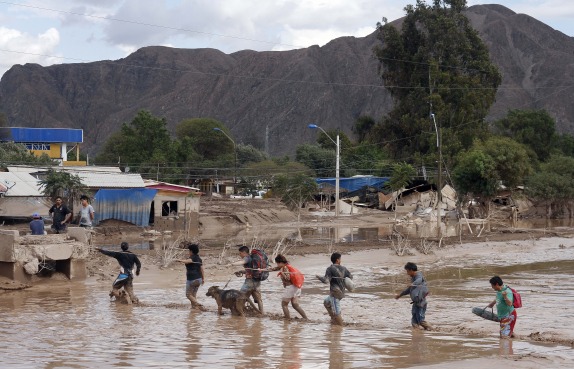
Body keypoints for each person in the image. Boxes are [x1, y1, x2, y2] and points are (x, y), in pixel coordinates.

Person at [317, 252, 352, 325]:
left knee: (336, 312)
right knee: (326, 303)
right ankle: (333, 319)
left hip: (335, 293)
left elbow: (326, 281)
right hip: (341, 292)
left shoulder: (330, 269)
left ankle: (340, 327)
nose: (340, 260)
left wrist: (319, 277)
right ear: (337, 260)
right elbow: (351, 277)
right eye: (340, 259)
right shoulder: (344, 268)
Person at [395, 262, 432, 330]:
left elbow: (419, 280)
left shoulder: (419, 276)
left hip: (421, 303)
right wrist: (400, 295)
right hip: (415, 303)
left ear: (411, 270)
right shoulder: (413, 279)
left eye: (408, 271)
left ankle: (432, 330)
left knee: (421, 321)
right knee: (414, 322)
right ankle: (417, 335)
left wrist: (413, 284)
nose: (407, 273)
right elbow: (408, 290)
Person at [270, 254, 307, 320]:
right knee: (295, 305)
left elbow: (287, 277)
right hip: (297, 288)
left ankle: (287, 320)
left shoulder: (284, 268)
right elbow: (275, 268)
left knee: (284, 305)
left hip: (290, 288)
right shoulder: (287, 266)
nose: (277, 265)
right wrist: (263, 269)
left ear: (281, 262)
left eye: (277, 263)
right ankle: (305, 318)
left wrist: (282, 273)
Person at [231, 245, 264, 314]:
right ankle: (262, 313)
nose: (240, 255)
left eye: (240, 253)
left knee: (240, 296)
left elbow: (242, 262)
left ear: (243, 252)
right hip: (257, 281)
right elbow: (250, 270)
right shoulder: (252, 258)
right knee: (258, 299)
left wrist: (232, 264)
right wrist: (241, 272)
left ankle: (239, 312)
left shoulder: (247, 258)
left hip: (249, 282)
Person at [178, 243, 207, 311]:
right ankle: (194, 308)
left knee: (188, 294)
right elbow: (202, 269)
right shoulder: (199, 259)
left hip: (192, 279)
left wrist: (181, 260)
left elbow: (189, 261)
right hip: (199, 279)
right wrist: (203, 279)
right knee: (193, 295)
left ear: (191, 251)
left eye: (189, 251)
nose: (188, 252)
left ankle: (198, 304)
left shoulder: (192, 258)